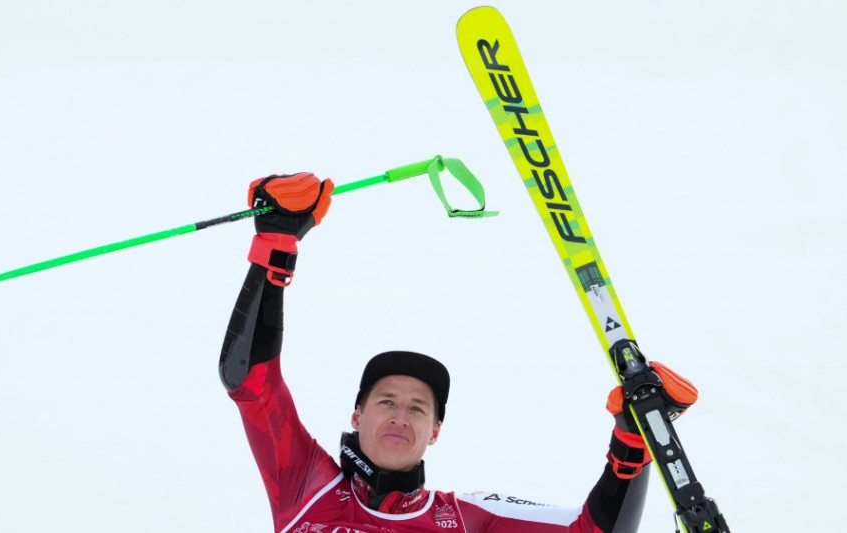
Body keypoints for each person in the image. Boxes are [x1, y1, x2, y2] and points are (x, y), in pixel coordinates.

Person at [220, 173, 698, 532]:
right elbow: (251, 385)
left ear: (435, 432)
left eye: (417, 408)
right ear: (357, 414)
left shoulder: (465, 517)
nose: (400, 416)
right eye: (386, 401)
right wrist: (275, 243)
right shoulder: (306, 485)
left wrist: (632, 443)